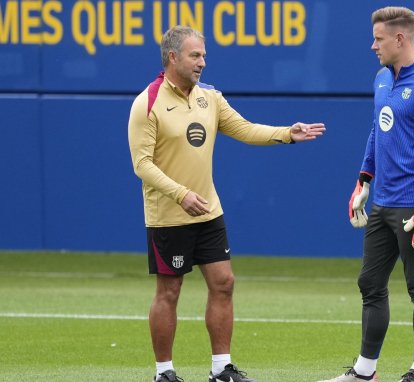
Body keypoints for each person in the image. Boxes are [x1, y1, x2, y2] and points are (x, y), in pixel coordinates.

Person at [128, 25, 325, 382]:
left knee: (224, 282)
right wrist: (180, 194)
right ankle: (164, 373)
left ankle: (221, 369)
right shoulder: (148, 102)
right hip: (169, 216)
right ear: (173, 57)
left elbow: (245, 129)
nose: (203, 62)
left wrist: (286, 134)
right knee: (169, 291)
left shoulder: (209, 97)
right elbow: (142, 164)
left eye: (203, 55)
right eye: (195, 55)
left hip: (208, 211)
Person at [319, 7, 414, 382]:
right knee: (369, 284)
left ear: (400, 39)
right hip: (382, 204)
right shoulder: (381, 78)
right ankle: (365, 373)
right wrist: (363, 180)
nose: (372, 45)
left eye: (378, 38)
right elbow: (377, 131)